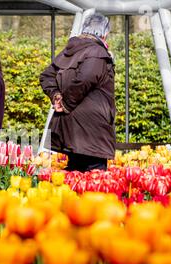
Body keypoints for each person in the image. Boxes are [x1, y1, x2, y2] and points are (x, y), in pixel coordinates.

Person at [40, 13, 116, 172]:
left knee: (74, 177)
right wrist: (65, 103)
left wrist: (56, 96)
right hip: (92, 130)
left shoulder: (70, 51)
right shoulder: (97, 52)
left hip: (71, 129)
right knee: (95, 181)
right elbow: (85, 80)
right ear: (105, 33)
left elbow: (47, 76)